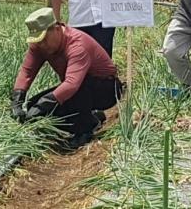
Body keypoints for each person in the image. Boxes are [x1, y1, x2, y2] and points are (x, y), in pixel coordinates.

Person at [10, 8, 122, 149]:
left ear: (57, 28)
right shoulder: (40, 45)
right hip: (78, 89)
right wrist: (17, 101)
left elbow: (72, 84)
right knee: (34, 109)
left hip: (105, 90)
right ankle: (91, 118)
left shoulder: (77, 44)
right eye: (38, 41)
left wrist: (43, 104)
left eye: (44, 39)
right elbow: (27, 71)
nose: (41, 44)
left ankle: (84, 131)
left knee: (67, 95)